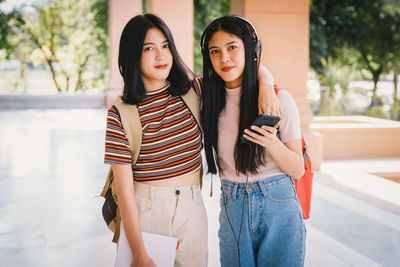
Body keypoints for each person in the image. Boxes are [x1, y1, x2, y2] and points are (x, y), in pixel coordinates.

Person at [104, 14, 280, 267]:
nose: (161, 55)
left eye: (165, 46)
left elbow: (240, 67)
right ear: (132, 55)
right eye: (148, 48)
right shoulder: (120, 114)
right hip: (147, 209)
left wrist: (267, 83)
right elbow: (124, 191)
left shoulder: (193, 91)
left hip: (192, 205)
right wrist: (139, 253)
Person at [200, 15, 306, 267]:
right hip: (232, 202)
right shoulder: (206, 98)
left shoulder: (279, 100)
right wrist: (265, 79)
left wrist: (271, 142)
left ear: (250, 48)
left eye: (232, 47)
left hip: (278, 202)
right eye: (215, 51)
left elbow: (298, 169)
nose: (224, 58)